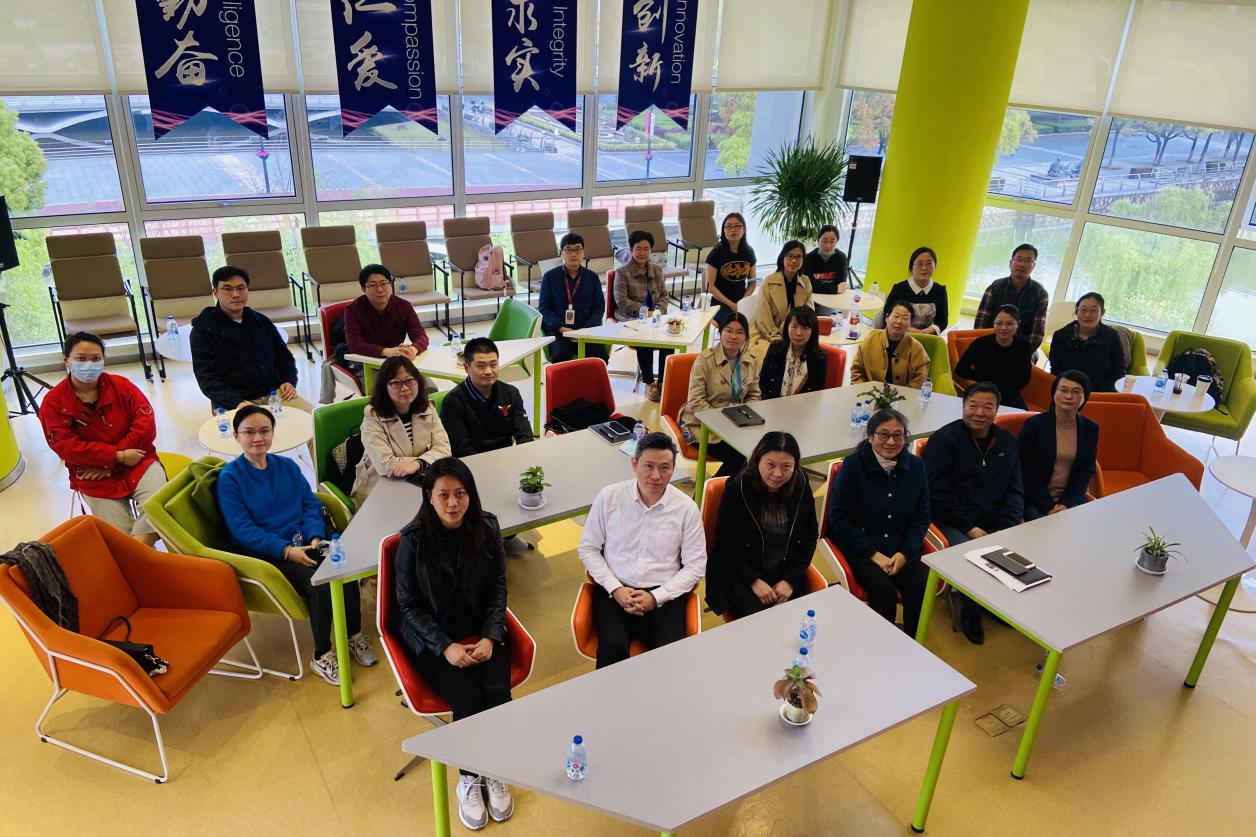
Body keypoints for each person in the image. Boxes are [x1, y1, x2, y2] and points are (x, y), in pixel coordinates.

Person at [393, 457, 516, 829]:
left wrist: (491, 636)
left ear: (471, 495)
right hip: (434, 638)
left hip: (482, 632)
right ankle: (470, 777)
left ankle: (494, 769)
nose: (452, 503)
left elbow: (497, 588)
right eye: (443, 494)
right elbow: (408, 605)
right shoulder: (412, 540)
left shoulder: (488, 526)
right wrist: (445, 646)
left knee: (497, 694)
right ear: (429, 497)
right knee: (468, 699)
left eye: (460, 494)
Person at [216, 406, 375, 684]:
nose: (258, 438)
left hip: (305, 539)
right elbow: (242, 530)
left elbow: (310, 503)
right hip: (270, 553)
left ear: (272, 432)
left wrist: (314, 535)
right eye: (249, 432)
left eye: (264, 431)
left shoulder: (287, 466)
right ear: (236, 435)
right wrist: (286, 551)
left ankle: (353, 634)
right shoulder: (230, 478)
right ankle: (322, 655)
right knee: (320, 584)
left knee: (345, 566)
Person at [578, 432, 707, 668]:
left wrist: (656, 597)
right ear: (634, 464)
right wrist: (616, 588)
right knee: (613, 649)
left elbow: (696, 565)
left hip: (665, 595)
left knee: (669, 658)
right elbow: (588, 548)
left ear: (673, 469)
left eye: (665, 468)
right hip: (615, 592)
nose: (656, 475)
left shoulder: (686, 509)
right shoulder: (609, 497)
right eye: (648, 466)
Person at [39, 331, 167, 547]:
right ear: (66, 360)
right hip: (94, 475)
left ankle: (136, 555)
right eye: (81, 358)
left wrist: (119, 458)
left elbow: (145, 425)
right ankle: (140, 555)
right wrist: (116, 457)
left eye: (95, 358)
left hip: (138, 460)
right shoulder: (53, 403)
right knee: (118, 536)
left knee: (159, 507)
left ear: (103, 360)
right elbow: (65, 447)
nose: (89, 364)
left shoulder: (122, 386)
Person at [923, 382, 1024, 645]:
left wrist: (1006, 527)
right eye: (973, 405)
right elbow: (937, 493)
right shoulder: (944, 440)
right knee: (972, 554)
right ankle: (972, 609)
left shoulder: (1007, 441)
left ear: (996, 410)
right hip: (951, 520)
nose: (979, 412)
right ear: (963, 406)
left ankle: (995, 602)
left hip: (994, 519)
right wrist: (970, 527)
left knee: (1019, 544)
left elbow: (1015, 488)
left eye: (987, 407)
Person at [827, 409, 932, 636]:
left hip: (900, 545)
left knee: (919, 587)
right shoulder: (852, 466)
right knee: (883, 592)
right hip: (863, 546)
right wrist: (873, 554)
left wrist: (905, 552)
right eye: (883, 434)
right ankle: (880, 643)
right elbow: (839, 518)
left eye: (898, 435)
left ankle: (912, 643)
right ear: (870, 436)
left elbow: (922, 515)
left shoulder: (916, 466)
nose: (891, 442)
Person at [706, 432, 818, 620]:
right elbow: (726, 543)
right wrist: (754, 581)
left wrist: (790, 580)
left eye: (786, 466)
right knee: (762, 625)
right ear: (757, 460)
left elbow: (810, 536)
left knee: (800, 622)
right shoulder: (738, 488)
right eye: (770, 465)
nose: (778, 474)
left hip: (786, 572)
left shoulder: (800, 484)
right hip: (742, 576)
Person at [439, 337, 534, 554]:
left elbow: (524, 432)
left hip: (505, 461)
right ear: (467, 368)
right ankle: (484, 541)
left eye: (493, 364)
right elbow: (462, 449)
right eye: (480, 366)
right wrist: (490, 472)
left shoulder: (510, 393)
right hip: (470, 467)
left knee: (523, 491)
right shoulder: (453, 402)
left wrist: (525, 458)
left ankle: (507, 536)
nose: (489, 371)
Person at [191, 265, 312, 414]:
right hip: (234, 401)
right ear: (215, 292)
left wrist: (289, 381)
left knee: (315, 419)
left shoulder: (260, 321)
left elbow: (284, 358)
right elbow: (207, 379)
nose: (235, 294)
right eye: (227, 289)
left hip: (274, 393)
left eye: (241, 288)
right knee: (253, 427)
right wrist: (237, 403)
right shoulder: (203, 329)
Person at [351, 356, 451, 508]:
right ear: (385, 386)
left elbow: (444, 448)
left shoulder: (427, 408)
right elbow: (386, 465)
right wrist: (427, 460)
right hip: (381, 487)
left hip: (421, 481)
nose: (405, 388)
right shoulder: (372, 417)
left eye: (410, 381)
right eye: (396, 383)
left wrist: (418, 464)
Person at [679, 313, 761, 477]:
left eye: (739, 332)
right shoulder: (705, 360)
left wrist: (743, 416)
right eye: (729, 330)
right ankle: (710, 492)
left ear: (746, 337)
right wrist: (726, 420)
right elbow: (695, 402)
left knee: (760, 450)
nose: (733, 336)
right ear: (720, 332)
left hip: (737, 424)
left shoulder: (750, 360)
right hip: (701, 425)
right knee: (739, 456)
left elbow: (754, 395)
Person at [1018, 370, 1099, 521]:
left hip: (1071, 499)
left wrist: (1066, 504)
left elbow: (1086, 470)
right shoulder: (1034, 425)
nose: (1069, 396)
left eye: (1076, 392)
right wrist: (1049, 505)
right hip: (1034, 498)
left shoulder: (1090, 429)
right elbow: (1022, 469)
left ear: (1085, 397)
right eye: (1063, 390)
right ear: (1054, 393)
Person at [614, 229, 672, 402]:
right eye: (638, 248)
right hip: (632, 318)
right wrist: (646, 312)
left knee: (669, 339)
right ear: (631, 250)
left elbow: (664, 296)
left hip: (656, 317)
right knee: (645, 338)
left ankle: (663, 380)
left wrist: (658, 311)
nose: (642, 253)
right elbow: (622, 301)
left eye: (646, 249)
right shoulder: (622, 272)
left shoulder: (657, 270)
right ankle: (649, 382)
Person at [538, 232, 608, 364]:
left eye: (577, 249)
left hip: (586, 330)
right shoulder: (550, 277)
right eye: (568, 250)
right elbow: (544, 307)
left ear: (583, 252)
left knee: (600, 357)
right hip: (560, 331)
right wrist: (561, 328)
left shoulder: (592, 277)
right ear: (561, 253)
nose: (573, 254)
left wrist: (586, 329)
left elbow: (599, 307)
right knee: (560, 356)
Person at [954, 304, 1034, 409]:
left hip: (1010, 396)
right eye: (999, 323)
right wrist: (983, 380)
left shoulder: (1023, 346)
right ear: (993, 323)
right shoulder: (980, 343)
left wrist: (1006, 391)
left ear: (1018, 324)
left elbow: (1025, 376)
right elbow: (960, 369)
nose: (1003, 328)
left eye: (1009, 324)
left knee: (1024, 417)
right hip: (983, 392)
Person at [343, 263, 429, 360]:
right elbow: (354, 344)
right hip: (365, 359)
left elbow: (421, 336)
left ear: (390, 285)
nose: (380, 290)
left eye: (383, 284)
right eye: (373, 285)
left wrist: (413, 349)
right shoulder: (353, 310)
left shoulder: (404, 306)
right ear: (363, 289)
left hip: (394, 358)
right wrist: (385, 351)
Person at [973, 244, 1049, 351]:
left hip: (1022, 348)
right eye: (1018, 259)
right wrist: (986, 348)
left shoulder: (1040, 293)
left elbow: (1037, 332)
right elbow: (980, 323)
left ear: (1034, 266)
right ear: (1010, 263)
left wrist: (1023, 353)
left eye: (1028, 261)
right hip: (991, 344)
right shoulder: (995, 287)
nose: (1022, 264)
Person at [1048, 292, 1126, 392]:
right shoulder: (1061, 336)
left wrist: (1097, 393)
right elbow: (1055, 369)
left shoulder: (1111, 336)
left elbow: (1118, 371)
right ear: (1076, 311)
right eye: (1083, 310)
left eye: (1093, 310)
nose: (1087, 315)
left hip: (1100, 393)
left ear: (1102, 313)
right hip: (1067, 391)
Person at [751, 240, 813, 350]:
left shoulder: (806, 281)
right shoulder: (769, 281)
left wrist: (791, 321)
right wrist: (776, 337)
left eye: (798, 257)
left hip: (796, 332)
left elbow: (809, 311)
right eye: (790, 256)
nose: (794, 260)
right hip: (768, 333)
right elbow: (762, 316)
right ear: (783, 257)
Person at [850, 301, 930, 388]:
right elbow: (857, 371)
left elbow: (920, 379)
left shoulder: (917, 349)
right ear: (886, 318)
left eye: (905, 318)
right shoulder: (868, 342)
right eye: (896, 316)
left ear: (910, 323)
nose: (899, 321)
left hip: (904, 395)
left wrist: (903, 395)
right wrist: (864, 391)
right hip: (870, 393)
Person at [759, 307, 828, 399]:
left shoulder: (819, 358)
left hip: (802, 406)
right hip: (771, 404)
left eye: (805, 328)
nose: (798, 333)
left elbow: (816, 395)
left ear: (813, 331)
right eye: (794, 326)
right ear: (787, 327)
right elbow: (762, 383)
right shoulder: (775, 349)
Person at [704, 212, 758, 328]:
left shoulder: (749, 252)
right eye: (729, 226)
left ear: (744, 229)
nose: (733, 230)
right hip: (719, 300)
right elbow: (710, 287)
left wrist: (743, 302)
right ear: (723, 230)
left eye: (737, 226)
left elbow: (752, 282)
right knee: (731, 325)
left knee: (755, 322)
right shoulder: (716, 253)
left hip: (740, 299)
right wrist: (732, 305)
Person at [883, 247, 948, 334]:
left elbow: (942, 321)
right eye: (919, 264)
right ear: (911, 267)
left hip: (927, 336)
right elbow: (887, 315)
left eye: (929, 264)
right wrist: (907, 329)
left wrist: (925, 332)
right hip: (899, 334)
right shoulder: (899, 289)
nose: (924, 268)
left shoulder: (940, 291)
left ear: (934, 266)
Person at [802, 224, 848, 295]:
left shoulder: (841, 257)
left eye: (832, 241)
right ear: (818, 240)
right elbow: (809, 286)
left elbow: (841, 286)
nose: (828, 246)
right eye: (825, 241)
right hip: (814, 297)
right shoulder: (808, 258)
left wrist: (819, 287)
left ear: (837, 242)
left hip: (835, 298)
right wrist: (835, 289)